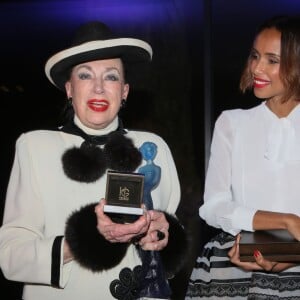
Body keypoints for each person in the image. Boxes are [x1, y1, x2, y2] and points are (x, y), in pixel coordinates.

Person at [0, 21, 188, 300]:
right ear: (69, 89)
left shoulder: (154, 147)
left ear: (124, 91)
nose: (99, 88)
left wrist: (162, 236)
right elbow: (11, 255)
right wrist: (84, 243)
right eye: (85, 76)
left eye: (111, 77)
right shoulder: (35, 147)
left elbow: (171, 232)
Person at [186, 15, 300, 299]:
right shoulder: (232, 123)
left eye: (272, 60)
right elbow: (213, 206)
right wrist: (284, 221)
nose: (257, 67)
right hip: (233, 271)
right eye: (255, 56)